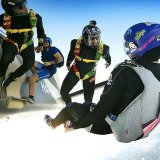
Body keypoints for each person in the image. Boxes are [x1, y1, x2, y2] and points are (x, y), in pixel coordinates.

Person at [45, 22, 160, 143]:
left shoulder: (123, 71)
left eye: (131, 45)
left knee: (70, 107)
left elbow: (100, 111)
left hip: (107, 125)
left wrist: (76, 125)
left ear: (143, 44)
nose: (94, 41)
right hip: (136, 127)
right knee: (87, 103)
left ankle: (53, 124)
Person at [60, 20, 111, 104]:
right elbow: (71, 54)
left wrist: (108, 62)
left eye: (97, 38)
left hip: (90, 75)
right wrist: (68, 63)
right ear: (84, 38)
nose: (95, 41)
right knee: (63, 92)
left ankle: (85, 112)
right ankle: (69, 109)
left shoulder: (104, 49)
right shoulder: (75, 43)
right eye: (92, 39)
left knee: (88, 101)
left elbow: (108, 58)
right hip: (75, 71)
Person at [0, 0, 45, 87]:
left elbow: (41, 31)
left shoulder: (35, 17)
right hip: (12, 42)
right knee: (6, 58)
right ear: (11, 10)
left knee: (29, 63)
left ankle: (12, 77)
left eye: (24, 4)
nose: (24, 7)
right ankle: (1, 72)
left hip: (27, 43)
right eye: (20, 7)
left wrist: (40, 45)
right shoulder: (3, 18)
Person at [23, 36, 64, 104]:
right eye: (43, 42)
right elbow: (34, 47)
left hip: (50, 70)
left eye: (46, 42)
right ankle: (36, 77)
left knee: (32, 78)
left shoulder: (53, 49)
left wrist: (50, 63)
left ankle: (31, 98)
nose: (45, 43)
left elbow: (60, 59)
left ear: (49, 43)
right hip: (44, 66)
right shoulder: (42, 49)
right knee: (30, 62)